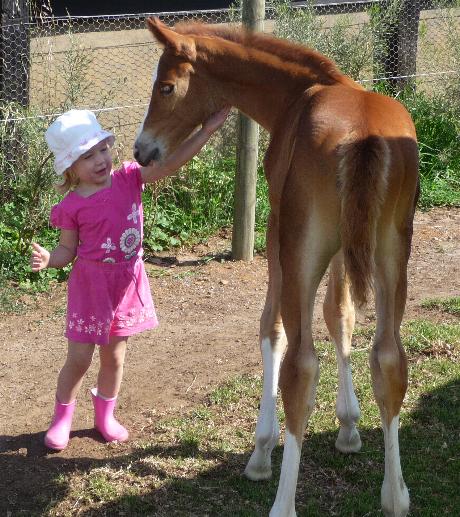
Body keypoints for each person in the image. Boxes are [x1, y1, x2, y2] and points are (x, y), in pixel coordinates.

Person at [31, 107, 230, 451]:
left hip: (124, 285)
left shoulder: (128, 177)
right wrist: (50, 260)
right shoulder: (72, 205)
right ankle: (62, 419)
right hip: (91, 288)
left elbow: (170, 163)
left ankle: (105, 416)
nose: (99, 160)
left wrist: (206, 130)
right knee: (79, 359)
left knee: (115, 358)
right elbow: (67, 251)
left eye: (102, 149)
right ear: (70, 168)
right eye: (87, 156)